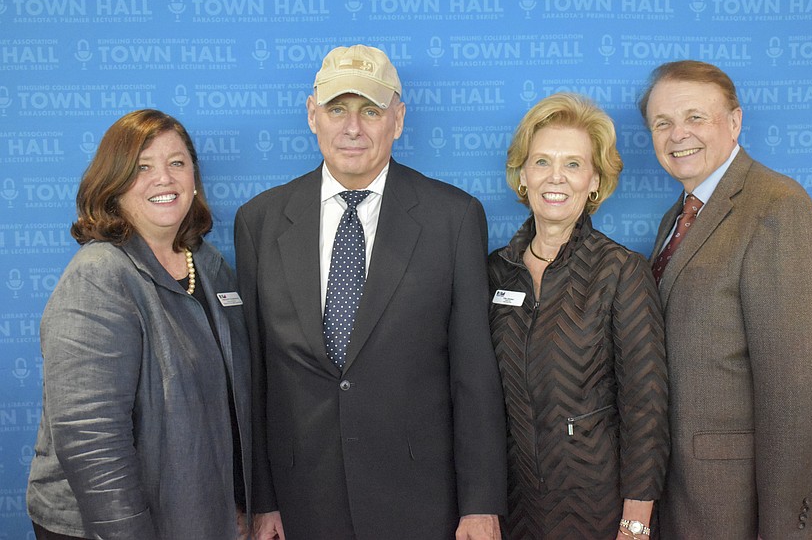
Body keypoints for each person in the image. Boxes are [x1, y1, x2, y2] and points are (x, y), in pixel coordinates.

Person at [235, 44, 507, 540]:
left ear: (398, 120)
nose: (352, 127)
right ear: (312, 115)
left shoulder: (454, 218)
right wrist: (260, 500)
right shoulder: (259, 222)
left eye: (371, 110)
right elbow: (255, 377)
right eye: (337, 109)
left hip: (422, 502)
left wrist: (480, 503)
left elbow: (474, 376)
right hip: (300, 503)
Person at [26, 109, 252, 540]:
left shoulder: (209, 265)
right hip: (107, 526)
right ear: (112, 185)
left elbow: (230, 404)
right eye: (142, 167)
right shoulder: (99, 275)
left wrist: (238, 505)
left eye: (177, 163)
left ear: (194, 178)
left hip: (196, 516)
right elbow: (90, 437)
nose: (163, 178)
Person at [640, 60, 812, 539]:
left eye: (695, 117)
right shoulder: (676, 219)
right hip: (683, 498)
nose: (678, 134)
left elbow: (798, 393)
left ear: (735, 121)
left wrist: (783, 528)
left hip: (744, 509)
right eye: (662, 123)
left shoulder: (777, 207)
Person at [488, 92, 669, 539]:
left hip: (598, 508)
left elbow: (645, 406)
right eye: (542, 161)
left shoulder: (621, 270)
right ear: (523, 175)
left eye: (573, 164)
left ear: (594, 181)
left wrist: (636, 520)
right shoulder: (492, 272)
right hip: (511, 507)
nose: (556, 177)